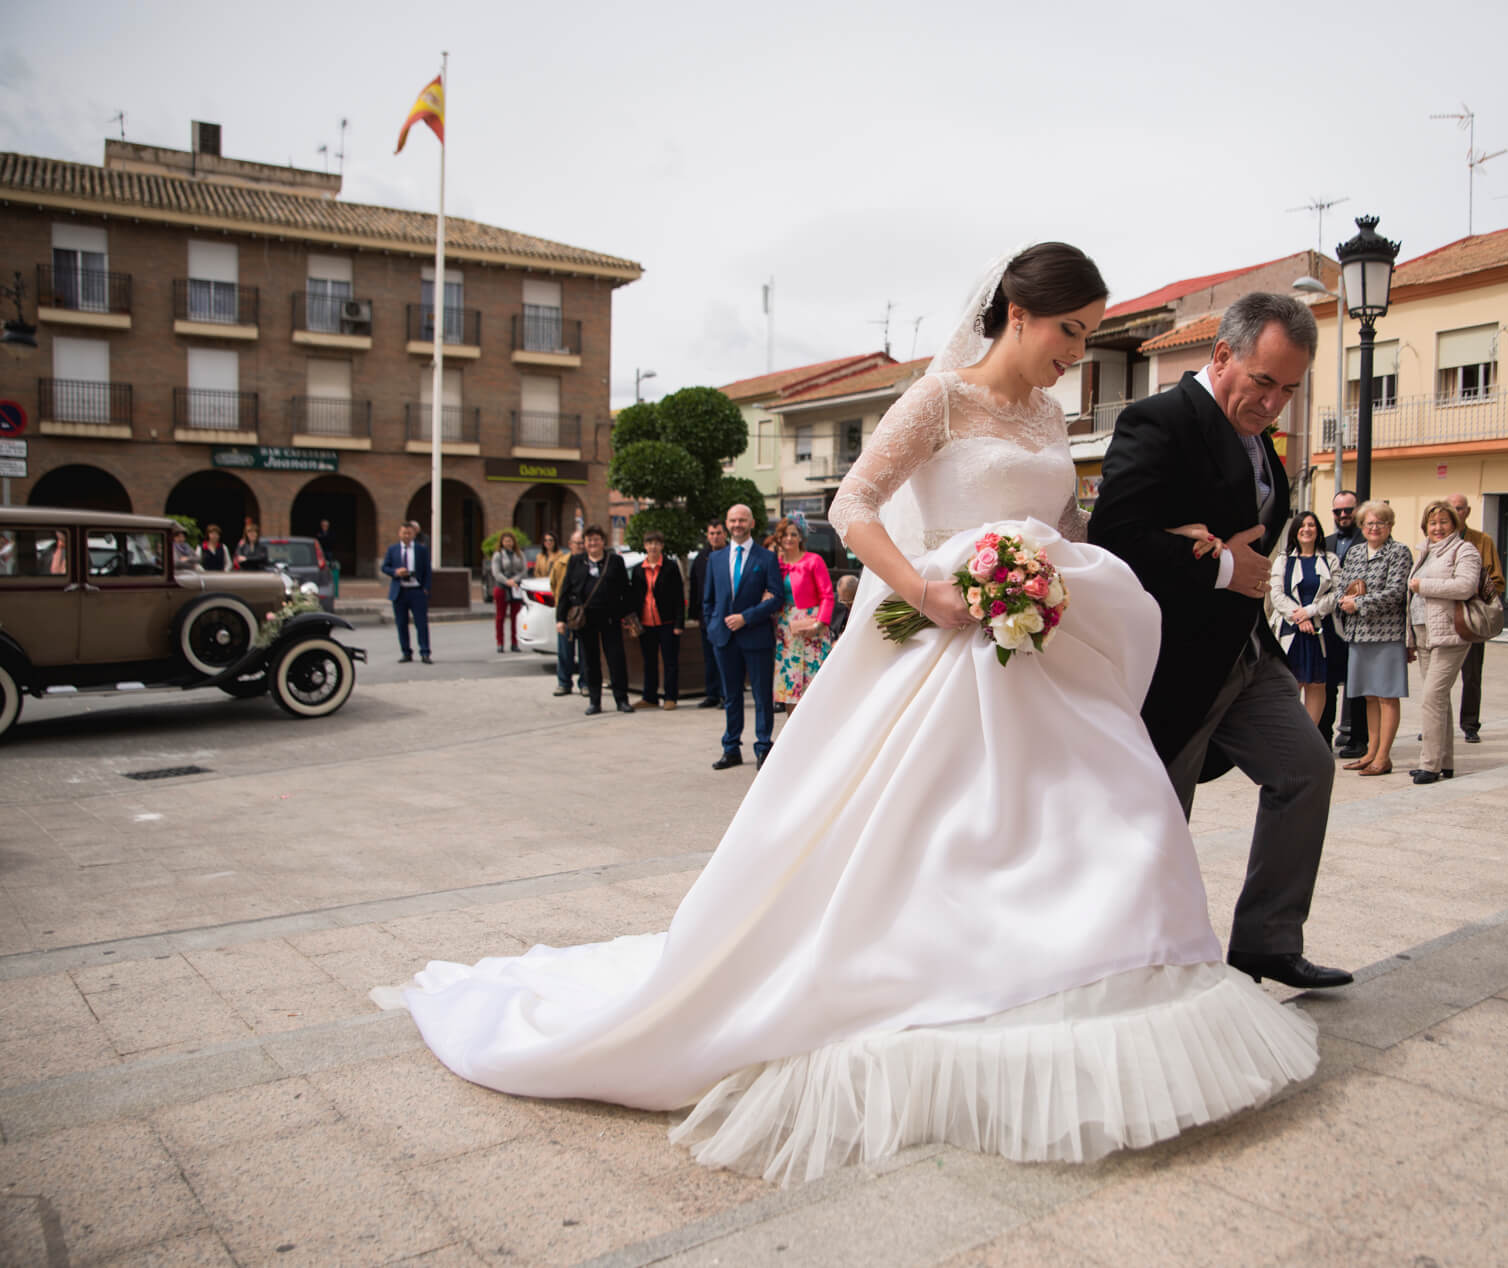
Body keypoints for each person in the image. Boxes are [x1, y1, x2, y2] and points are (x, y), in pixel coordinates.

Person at [377, 243, 1318, 1184]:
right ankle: (926, 974)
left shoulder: (1045, 415)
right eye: (1070, 331)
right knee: (930, 830)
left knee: (1112, 813)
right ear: (1019, 313)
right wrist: (927, 588)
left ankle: (1092, 971)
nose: (1077, 350)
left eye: (1087, 334)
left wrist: (1072, 565)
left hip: (1030, 647)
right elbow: (854, 504)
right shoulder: (941, 398)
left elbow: (1063, 526)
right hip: (942, 637)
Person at [1094, 290, 1351, 990]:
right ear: (1221, 355)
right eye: (1264, 382)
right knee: (1160, 823)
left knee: (1306, 769)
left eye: (1289, 390)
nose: (1274, 405)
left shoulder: (1258, 435)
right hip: (1174, 665)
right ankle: (1136, 966)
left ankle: (1266, 942)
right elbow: (1114, 538)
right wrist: (1226, 564)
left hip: (1248, 653)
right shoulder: (1159, 420)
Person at [1333, 500, 1411, 779]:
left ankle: (1384, 756)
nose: (1374, 528)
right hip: (1358, 633)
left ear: (1390, 526)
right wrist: (1344, 600)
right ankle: (1371, 751)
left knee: (1387, 695)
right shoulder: (1354, 552)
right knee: (1369, 695)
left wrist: (1360, 603)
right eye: (1369, 523)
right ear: (1361, 526)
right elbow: (1342, 584)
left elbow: (1395, 592)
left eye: (1380, 523)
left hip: (1386, 633)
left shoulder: (1399, 552)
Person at [1406, 501, 1482, 784]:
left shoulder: (1464, 550)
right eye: (1433, 522)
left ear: (1455, 524)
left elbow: (1465, 587)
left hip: (1451, 632)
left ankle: (1430, 764)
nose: (1438, 528)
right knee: (1438, 699)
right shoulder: (1424, 552)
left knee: (1432, 697)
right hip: (1424, 631)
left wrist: (1423, 586)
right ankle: (1445, 762)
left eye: (1444, 522)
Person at [704, 503, 782, 767]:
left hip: (756, 635)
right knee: (731, 695)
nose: (737, 524)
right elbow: (708, 600)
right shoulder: (715, 559)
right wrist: (713, 625)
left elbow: (777, 598)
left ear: (751, 524)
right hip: (724, 639)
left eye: (742, 520)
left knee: (761, 695)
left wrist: (746, 617)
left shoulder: (766, 558)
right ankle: (731, 748)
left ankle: (763, 747)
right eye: (733, 520)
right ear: (727, 524)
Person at [1267, 510, 1341, 724]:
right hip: (1291, 630)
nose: (1307, 529)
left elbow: (1337, 593)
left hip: (1321, 630)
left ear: (1318, 531)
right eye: (1302, 526)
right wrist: (1299, 617)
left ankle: (1311, 737)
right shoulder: (1283, 560)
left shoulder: (1330, 559)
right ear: (1295, 532)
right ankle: (1290, 737)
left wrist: (1310, 611)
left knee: (1317, 684)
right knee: (1291, 683)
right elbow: (1276, 593)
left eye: (1311, 525)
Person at [556, 525, 634, 715]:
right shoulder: (576, 561)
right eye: (589, 540)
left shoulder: (614, 561)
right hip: (585, 619)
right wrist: (560, 619)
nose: (592, 543)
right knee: (590, 661)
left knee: (616, 659)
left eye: (596, 539)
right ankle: (594, 701)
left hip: (610, 617)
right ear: (585, 543)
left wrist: (628, 615)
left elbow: (625, 589)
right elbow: (565, 591)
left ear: (603, 541)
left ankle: (621, 699)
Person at [1445, 493, 1504, 744]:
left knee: (1471, 675)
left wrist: (1469, 588)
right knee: (1440, 676)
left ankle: (1470, 724)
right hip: (1442, 617)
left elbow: (1497, 581)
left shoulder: (1482, 541)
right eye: (1449, 509)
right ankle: (1438, 723)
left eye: (1458, 508)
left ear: (1467, 512)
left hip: (1471, 616)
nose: (1454, 513)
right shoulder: (1433, 541)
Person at [771, 516, 836, 714]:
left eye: (793, 534)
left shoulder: (813, 561)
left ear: (801, 537)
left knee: (813, 680)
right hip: (786, 629)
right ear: (779, 539)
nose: (789, 538)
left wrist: (820, 623)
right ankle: (792, 730)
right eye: (785, 535)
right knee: (790, 681)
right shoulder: (776, 564)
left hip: (812, 626)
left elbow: (827, 595)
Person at [1320, 490, 1367, 757]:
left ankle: (1357, 738)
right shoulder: (1324, 542)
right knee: (1327, 683)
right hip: (1330, 624)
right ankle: (1323, 736)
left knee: (1357, 683)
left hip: (1359, 622)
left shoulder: (1369, 539)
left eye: (1348, 510)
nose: (1343, 515)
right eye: (1338, 512)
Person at [627, 529, 686, 709]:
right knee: (649, 661)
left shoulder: (670, 567)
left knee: (670, 662)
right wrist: (632, 622)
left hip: (667, 622)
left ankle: (670, 697)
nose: (653, 547)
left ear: (661, 546)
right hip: (646, 622)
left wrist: (679, 623)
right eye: (650, 543)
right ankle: (650, 697)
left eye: (656, 543)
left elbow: (678, 597)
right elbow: (634, 597)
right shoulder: (638, 570)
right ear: (645, 546)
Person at [688, 518, 729, 710]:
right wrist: (694, 614)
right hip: (707, 616)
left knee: (725, 657)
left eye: (718, 533)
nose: (715, 537)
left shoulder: (732, 554)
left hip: (728, 615)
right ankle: (711, 693)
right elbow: (695, 586)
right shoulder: (701, 557)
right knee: (709, 657)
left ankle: (725, 694)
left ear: (725, 534)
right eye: (712, 533)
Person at [381, 521, 432, 665]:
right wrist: (395, 572)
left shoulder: (421, 550)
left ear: (414, 534)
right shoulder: (393, 549)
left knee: (421, 623)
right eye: (404, 533)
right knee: (401, 624)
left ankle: (425, 652)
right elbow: (384, 567)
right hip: (400, 591)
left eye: (409, 533)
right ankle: (406, 652)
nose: (407, 535)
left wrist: (426, 589)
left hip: (417, 591)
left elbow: (428, 571)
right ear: (399, 533)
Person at [547, 531, 589, 698]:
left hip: (585, 614)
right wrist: (561, 616)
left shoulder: (589, 562)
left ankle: (585, 684)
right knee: (565, 651)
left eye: (581, 543)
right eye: (576, 543)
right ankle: (564, 683)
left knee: (585, 652)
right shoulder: (561, 563)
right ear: (569, 544)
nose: (579, 546)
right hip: (566, 612)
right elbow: (555, 586)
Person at [490, 531, 528, 653]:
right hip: (501, 588)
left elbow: (523, 570)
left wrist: (514, 580)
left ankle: (514, 643)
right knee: (500, 617)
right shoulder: (498, 555)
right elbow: (496, 573)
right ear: (502, 542)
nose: (508, 543)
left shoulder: (520, 554)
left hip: (516, 588)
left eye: (510, 541)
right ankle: (500, 643)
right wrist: (507, 581)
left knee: (515, 617)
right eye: (506, 541)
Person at [830, 573, 858, 638]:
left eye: (850, 602)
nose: (846, 604)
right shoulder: (834, 601)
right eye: (843, 600)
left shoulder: (865, 604)